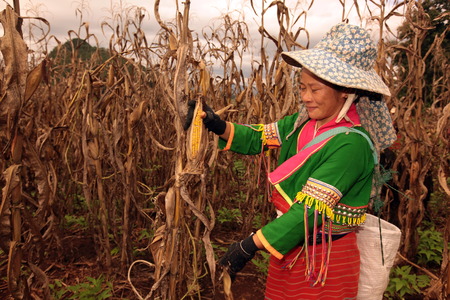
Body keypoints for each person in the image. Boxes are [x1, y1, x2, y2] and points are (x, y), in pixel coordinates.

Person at [186, 23, 397, 299]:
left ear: (345, 90)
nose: (306, 97)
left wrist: (249, 245)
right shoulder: (303, 124)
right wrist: (217, 125)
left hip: (325, 262)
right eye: (302, 87)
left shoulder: (352, 144)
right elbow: (260, 137)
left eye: (315, 89)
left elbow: (310, 210)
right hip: (292, 247)